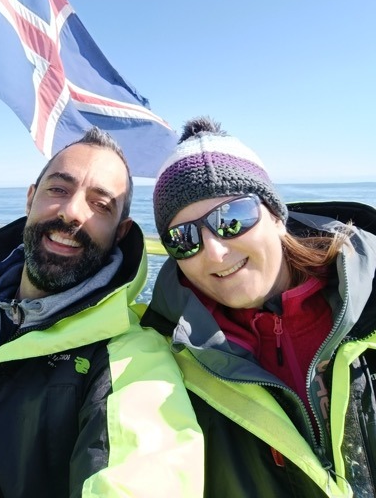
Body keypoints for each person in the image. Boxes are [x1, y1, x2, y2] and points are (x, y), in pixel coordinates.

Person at [0, 127, 204, 498]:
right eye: (59, 189)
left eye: (100, 204)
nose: (72, 212)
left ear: (121, 232)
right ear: (30, 199)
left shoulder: (128, 362)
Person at [142, 116, 376, 497]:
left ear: (277, 216)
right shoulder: (169, 358)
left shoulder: (369, 302)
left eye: (231, 219)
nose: (215, 253)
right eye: (184, 238)